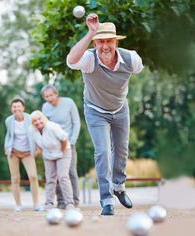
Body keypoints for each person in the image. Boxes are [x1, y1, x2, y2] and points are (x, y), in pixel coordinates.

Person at [66, 13, 144, 215]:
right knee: (102, 152)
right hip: (95, 110)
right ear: (95, 43)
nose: (105, 46)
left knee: (121, 150)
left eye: (109, 41)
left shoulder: (130, 59)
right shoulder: (89, 60)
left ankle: (119, 187)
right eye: (100, 42)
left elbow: (139, 69)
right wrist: (90, 33)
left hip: (120, 109)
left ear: (116, 43)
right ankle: (106, 199)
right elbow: (70, 60)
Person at [41, 84, 81, 208]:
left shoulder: (69, 103)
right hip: (53, 146)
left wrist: (72, 140)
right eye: (46, 96)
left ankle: (74, 200)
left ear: (56, 94)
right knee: (56, 174)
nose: (49, 98)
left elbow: (76, 122)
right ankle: (61, 201)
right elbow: (44, 127)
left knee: (70, 172)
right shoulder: (45, 107)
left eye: (51, 95)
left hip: (69, 143)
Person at [30, 110, 75, 210]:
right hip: (48, 155)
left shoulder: (51, 126)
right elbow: (40, 144)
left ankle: (69, 204)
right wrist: (34, 153)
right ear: (32, 123)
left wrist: (62, 153)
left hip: (63, 152)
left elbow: (64, 138)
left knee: (62, 176)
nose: (37, 122)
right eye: (34, 121)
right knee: (50, 179)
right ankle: (49, 204)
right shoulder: (33, 131)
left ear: (43, 118)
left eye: (39, 119)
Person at [4, 96, 39, 212]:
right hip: (13, 152)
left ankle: (36, 204)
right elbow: (9, 135)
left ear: (23, 108)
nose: (16, 109)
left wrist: (39, 147)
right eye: (14, 107)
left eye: (19, 106)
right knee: (15, 179)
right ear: (11, 109)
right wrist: (6, 146)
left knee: (33, 177)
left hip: (28, 152)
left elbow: (36, 132)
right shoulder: (9, 120)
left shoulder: (30, 119)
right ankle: (18, 205)